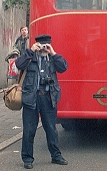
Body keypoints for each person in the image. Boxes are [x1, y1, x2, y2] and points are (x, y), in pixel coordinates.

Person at [15, 34, 68, 169]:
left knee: (51, 129)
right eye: (41, 46)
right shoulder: (30, 57)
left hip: (48, 97)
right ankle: (27, 159)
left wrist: (53, 53)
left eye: (46, 46)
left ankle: (56, 156)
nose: (44, 49)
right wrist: (30, 51)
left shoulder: (52, 58)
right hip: (31, 97)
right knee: (29, 130)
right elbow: (18, 64)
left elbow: (64, 67)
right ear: (37, 45)